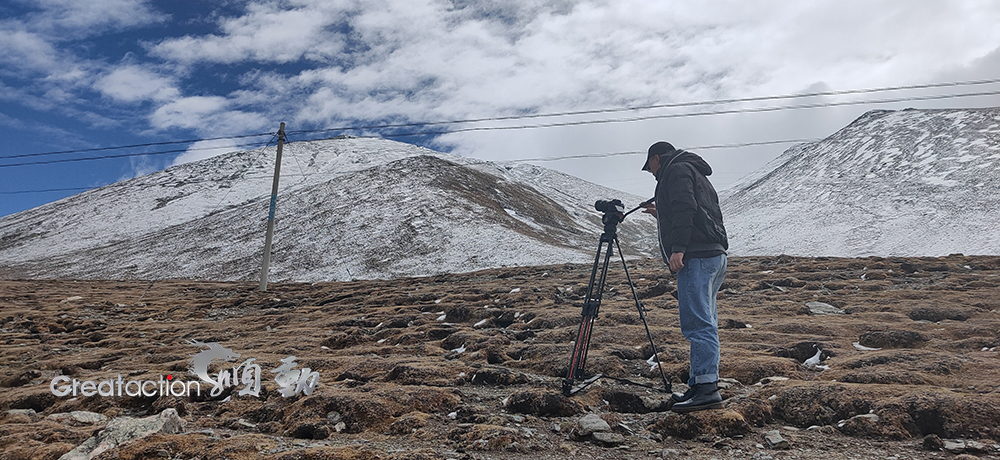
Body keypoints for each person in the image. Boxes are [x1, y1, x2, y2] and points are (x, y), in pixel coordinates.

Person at [641, 141, 729, 413]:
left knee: (698, 324)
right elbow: (695, 210)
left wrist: (678, 249)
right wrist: (661, 213)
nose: (652, 173)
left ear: (656, 158)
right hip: (713, 254)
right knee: (705, 321)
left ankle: (707, 389)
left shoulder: (676, 170)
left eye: (650, 168)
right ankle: (699, 383)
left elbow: (685, 209)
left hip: (697, 257)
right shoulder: (693, 170)